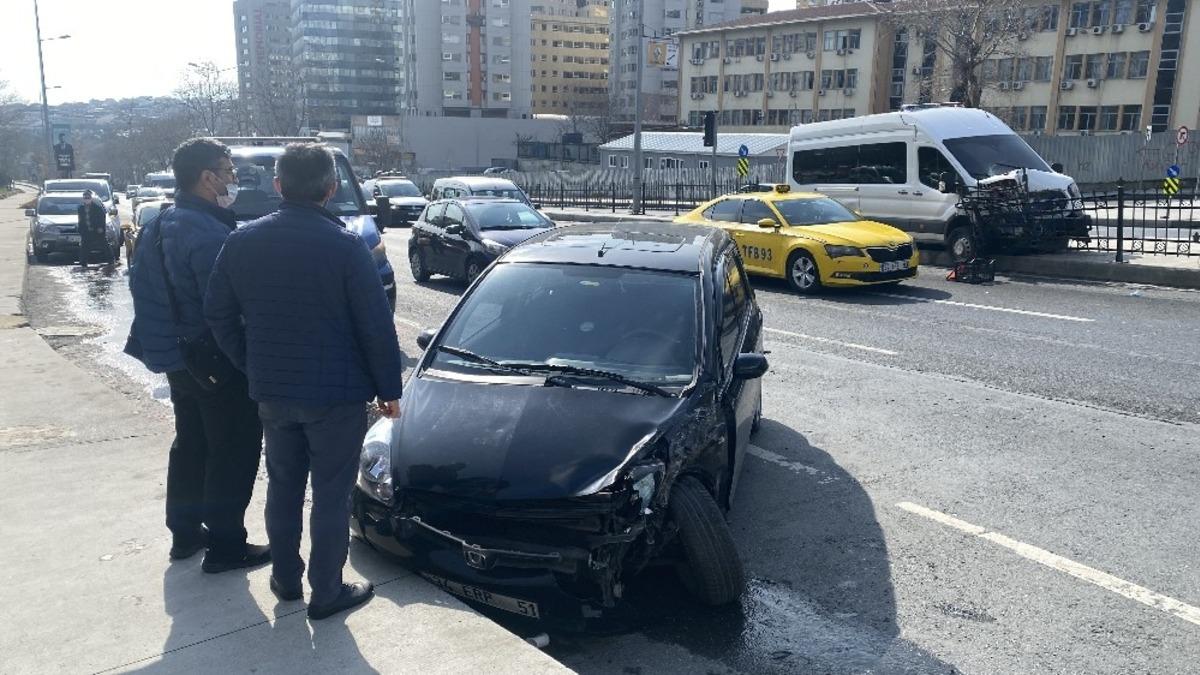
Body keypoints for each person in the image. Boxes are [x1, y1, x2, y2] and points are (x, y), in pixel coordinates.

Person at [206, 143, 403, 620]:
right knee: (331, 495)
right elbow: (374, 325)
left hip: (273, 391)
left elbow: (217, 313)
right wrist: (389, 390)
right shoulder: (346, 246)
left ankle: (287, 580)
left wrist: (250, 364)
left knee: (283, 486)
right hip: (336, 396)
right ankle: (327, 591)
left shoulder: (242, 241)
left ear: (277, 186)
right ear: (332, 189)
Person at [126, 138, 269, 572]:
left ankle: (185, 534)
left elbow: (142, 291)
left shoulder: (159, 222)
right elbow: (226, 306)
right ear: (207, 177)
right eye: (228, 171)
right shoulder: (207, 232)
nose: (232, 180)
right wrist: (246, 358)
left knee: (191, 443)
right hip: (215, 362)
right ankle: (227, 545)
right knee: (234, 448)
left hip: (176, 359)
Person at [77, 190, 114, 268]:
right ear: (83, 199)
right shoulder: (81, 208)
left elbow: (102, 218)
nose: (87, 199)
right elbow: (80, 220)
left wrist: (100, 228)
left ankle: (111, 261)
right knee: (84, 247)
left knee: (105, 245)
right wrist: (80, 230)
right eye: (85, 198)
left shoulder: (97, 208)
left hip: (97, 231)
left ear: (91, 198)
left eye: (88, 198)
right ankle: (83, 263)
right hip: (86, 231)